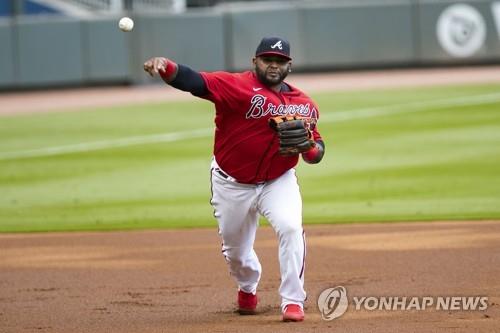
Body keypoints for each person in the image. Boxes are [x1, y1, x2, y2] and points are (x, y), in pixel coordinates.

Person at [143, 36, 325, 322]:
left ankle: (293, 300)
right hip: (231, 182)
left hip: (278, 180)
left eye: (280, 61)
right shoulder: (235, 86)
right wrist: (166, 68)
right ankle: (247, 286)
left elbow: (316, 152)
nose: (274, 66)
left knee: (291, 228)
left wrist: (309, 148)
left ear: (289, 65)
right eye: (268, 60)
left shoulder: (305, 105)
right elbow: (196, 82)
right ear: (255, 62)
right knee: (237, 253)